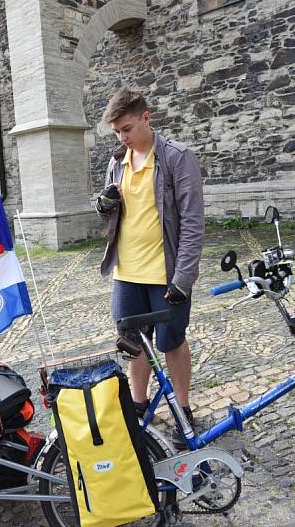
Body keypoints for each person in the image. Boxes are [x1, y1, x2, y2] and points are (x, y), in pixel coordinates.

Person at [96, 88, 204, 449]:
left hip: (166, 275)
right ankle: (140, 406)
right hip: (127, 273)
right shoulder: (117, 162)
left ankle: (183, 409)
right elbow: (115, 218)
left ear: (147, 117)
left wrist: (183, 280)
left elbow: (192, 223)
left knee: (172, 343)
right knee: (134, 344)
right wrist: (105, 206)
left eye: (126, 129)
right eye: (116, 132)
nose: (122, 138)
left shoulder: (176, 158)